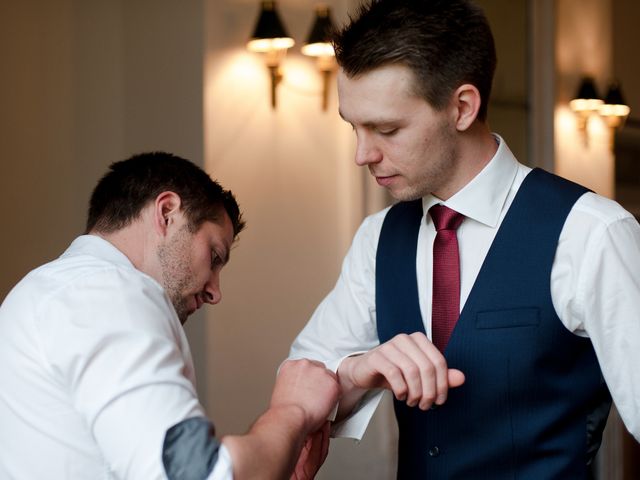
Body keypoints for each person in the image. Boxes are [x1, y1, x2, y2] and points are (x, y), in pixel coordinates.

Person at [289, 0, 640, 478]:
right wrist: (357, 368)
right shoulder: (379, 239)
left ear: (463, 107)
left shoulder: (593, 233)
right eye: (353, 127)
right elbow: (299, 378)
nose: (362, 154)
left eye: (386, 129)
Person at [0, 152, 340, 479]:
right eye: (214, 255)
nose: (215, 292)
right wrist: (292, 411)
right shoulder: (106, 290)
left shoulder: (49, 292)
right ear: (167, 213)